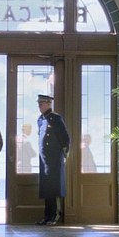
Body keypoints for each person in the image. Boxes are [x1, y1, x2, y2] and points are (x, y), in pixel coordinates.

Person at [36, 94, 70, 226]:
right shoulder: (40, 119)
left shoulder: (55, 118)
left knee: (54, 188)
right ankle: (47, 216)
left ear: (48, 103)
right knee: (46, 189)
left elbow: (65, 138)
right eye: (38, 104)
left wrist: (64, 154)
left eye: (41, 104)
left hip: (55, 159)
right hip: (44, 160)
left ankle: (55, 214)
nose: (39, 106)